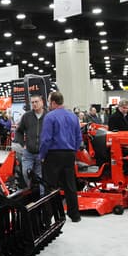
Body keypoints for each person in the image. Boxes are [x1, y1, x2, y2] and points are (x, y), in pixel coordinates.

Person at [39, 91, 83, 222]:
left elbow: (46, 139)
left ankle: (47, 217)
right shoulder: (73, 116)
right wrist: (73, 151)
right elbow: (78, 137)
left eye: (48, 101)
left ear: (52, 102)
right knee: (70, 185)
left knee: (49, 185)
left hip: (53, 155)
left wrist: (42, 155)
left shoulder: (50, 117)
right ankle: (75, 215)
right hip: (69, 154)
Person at [14, 95, 47, 187]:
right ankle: (30, 192)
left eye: (36, 102)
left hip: (42, 153)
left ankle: (41, 197)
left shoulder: (48, 116)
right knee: (26, 173)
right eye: (32, 102)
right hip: (28, 152)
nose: (34, 104)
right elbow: (19, 131)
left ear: (42, 102)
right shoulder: (27, 116)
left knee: (41, 177)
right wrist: (23, 144)